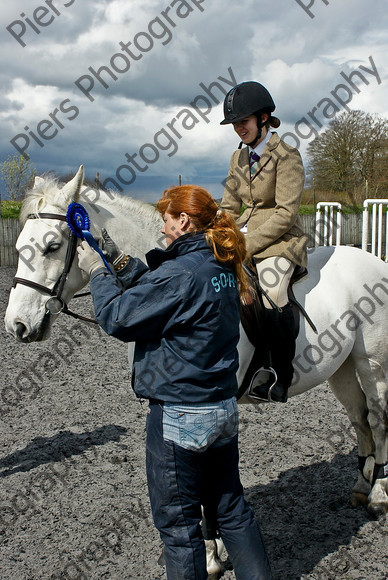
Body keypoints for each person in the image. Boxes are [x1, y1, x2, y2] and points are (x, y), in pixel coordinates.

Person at [77, 184, 273, 580]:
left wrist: (97, 272)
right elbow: (165, 287)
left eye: (167, 221)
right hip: (222, 408)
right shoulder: (220, 263)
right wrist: (118, 260)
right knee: (232, 509)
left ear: (183, 220)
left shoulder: (180, 274)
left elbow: (117, 317)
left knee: (180, 529)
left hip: (181, 417)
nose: (163, 230)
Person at [220, 81, 308, 403]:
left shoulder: (287, 156)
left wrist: (246, 243)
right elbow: (229, 207)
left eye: (243, 121)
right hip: (244, 233)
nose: (238, 128)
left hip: (281, 240)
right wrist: (213, 231)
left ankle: (279, 374)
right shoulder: (237, 159)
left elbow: (286, 213)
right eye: (235, 123)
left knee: (271, 291)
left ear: (264, 117)